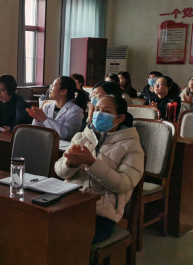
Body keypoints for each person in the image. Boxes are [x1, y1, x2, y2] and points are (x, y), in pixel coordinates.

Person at [55, 94, 144, 244]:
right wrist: (70, 164)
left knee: (65, 238)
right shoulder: (82, 137)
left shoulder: (131, 146)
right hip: (70, 203)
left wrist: (92, 163)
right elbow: (59, 172)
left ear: (120, 118)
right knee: (39, 226)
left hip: (101, 214)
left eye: (106, 111)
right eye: (97, 109)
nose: (99, 114)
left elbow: (124, 184)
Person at [27, 76, 86, 141]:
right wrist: (37, 120)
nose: (50, 88)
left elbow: (66, 134)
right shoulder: (46, 107)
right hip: (45, 143)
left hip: (64, 146)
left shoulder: (76, 110)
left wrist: (44, 119)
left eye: (53, 86)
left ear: (63, 91)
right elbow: (36, 131)